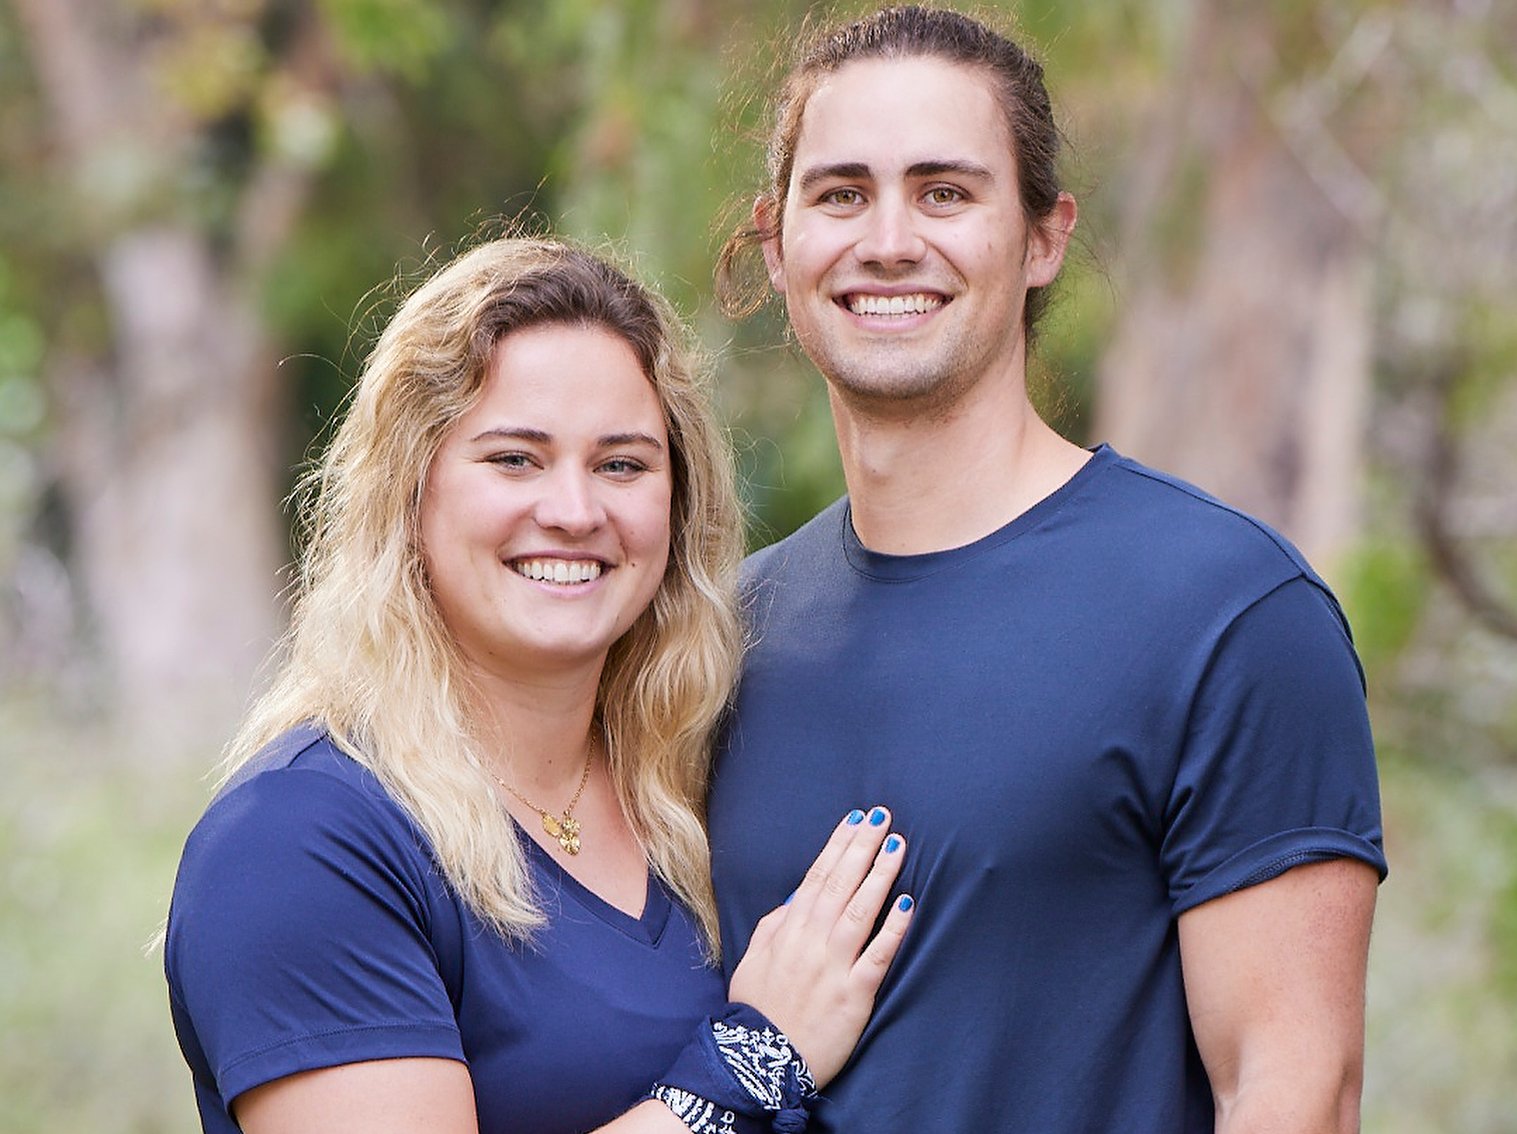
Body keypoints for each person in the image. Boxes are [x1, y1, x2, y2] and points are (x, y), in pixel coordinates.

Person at [707, 7, 1387, 1133]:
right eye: (839, 193)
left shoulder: (1223, 611)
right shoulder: (726, 633)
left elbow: (1291, 1089)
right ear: (777, 247)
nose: (886, 240)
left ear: (1041, 238)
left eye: (943, 191)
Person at [163, 235, 915, 1134]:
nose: (573, 511)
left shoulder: (693, 787)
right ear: (410, 492)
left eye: (622, 464)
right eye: (514, 458)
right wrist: (758, 1056)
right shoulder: (301, 841)